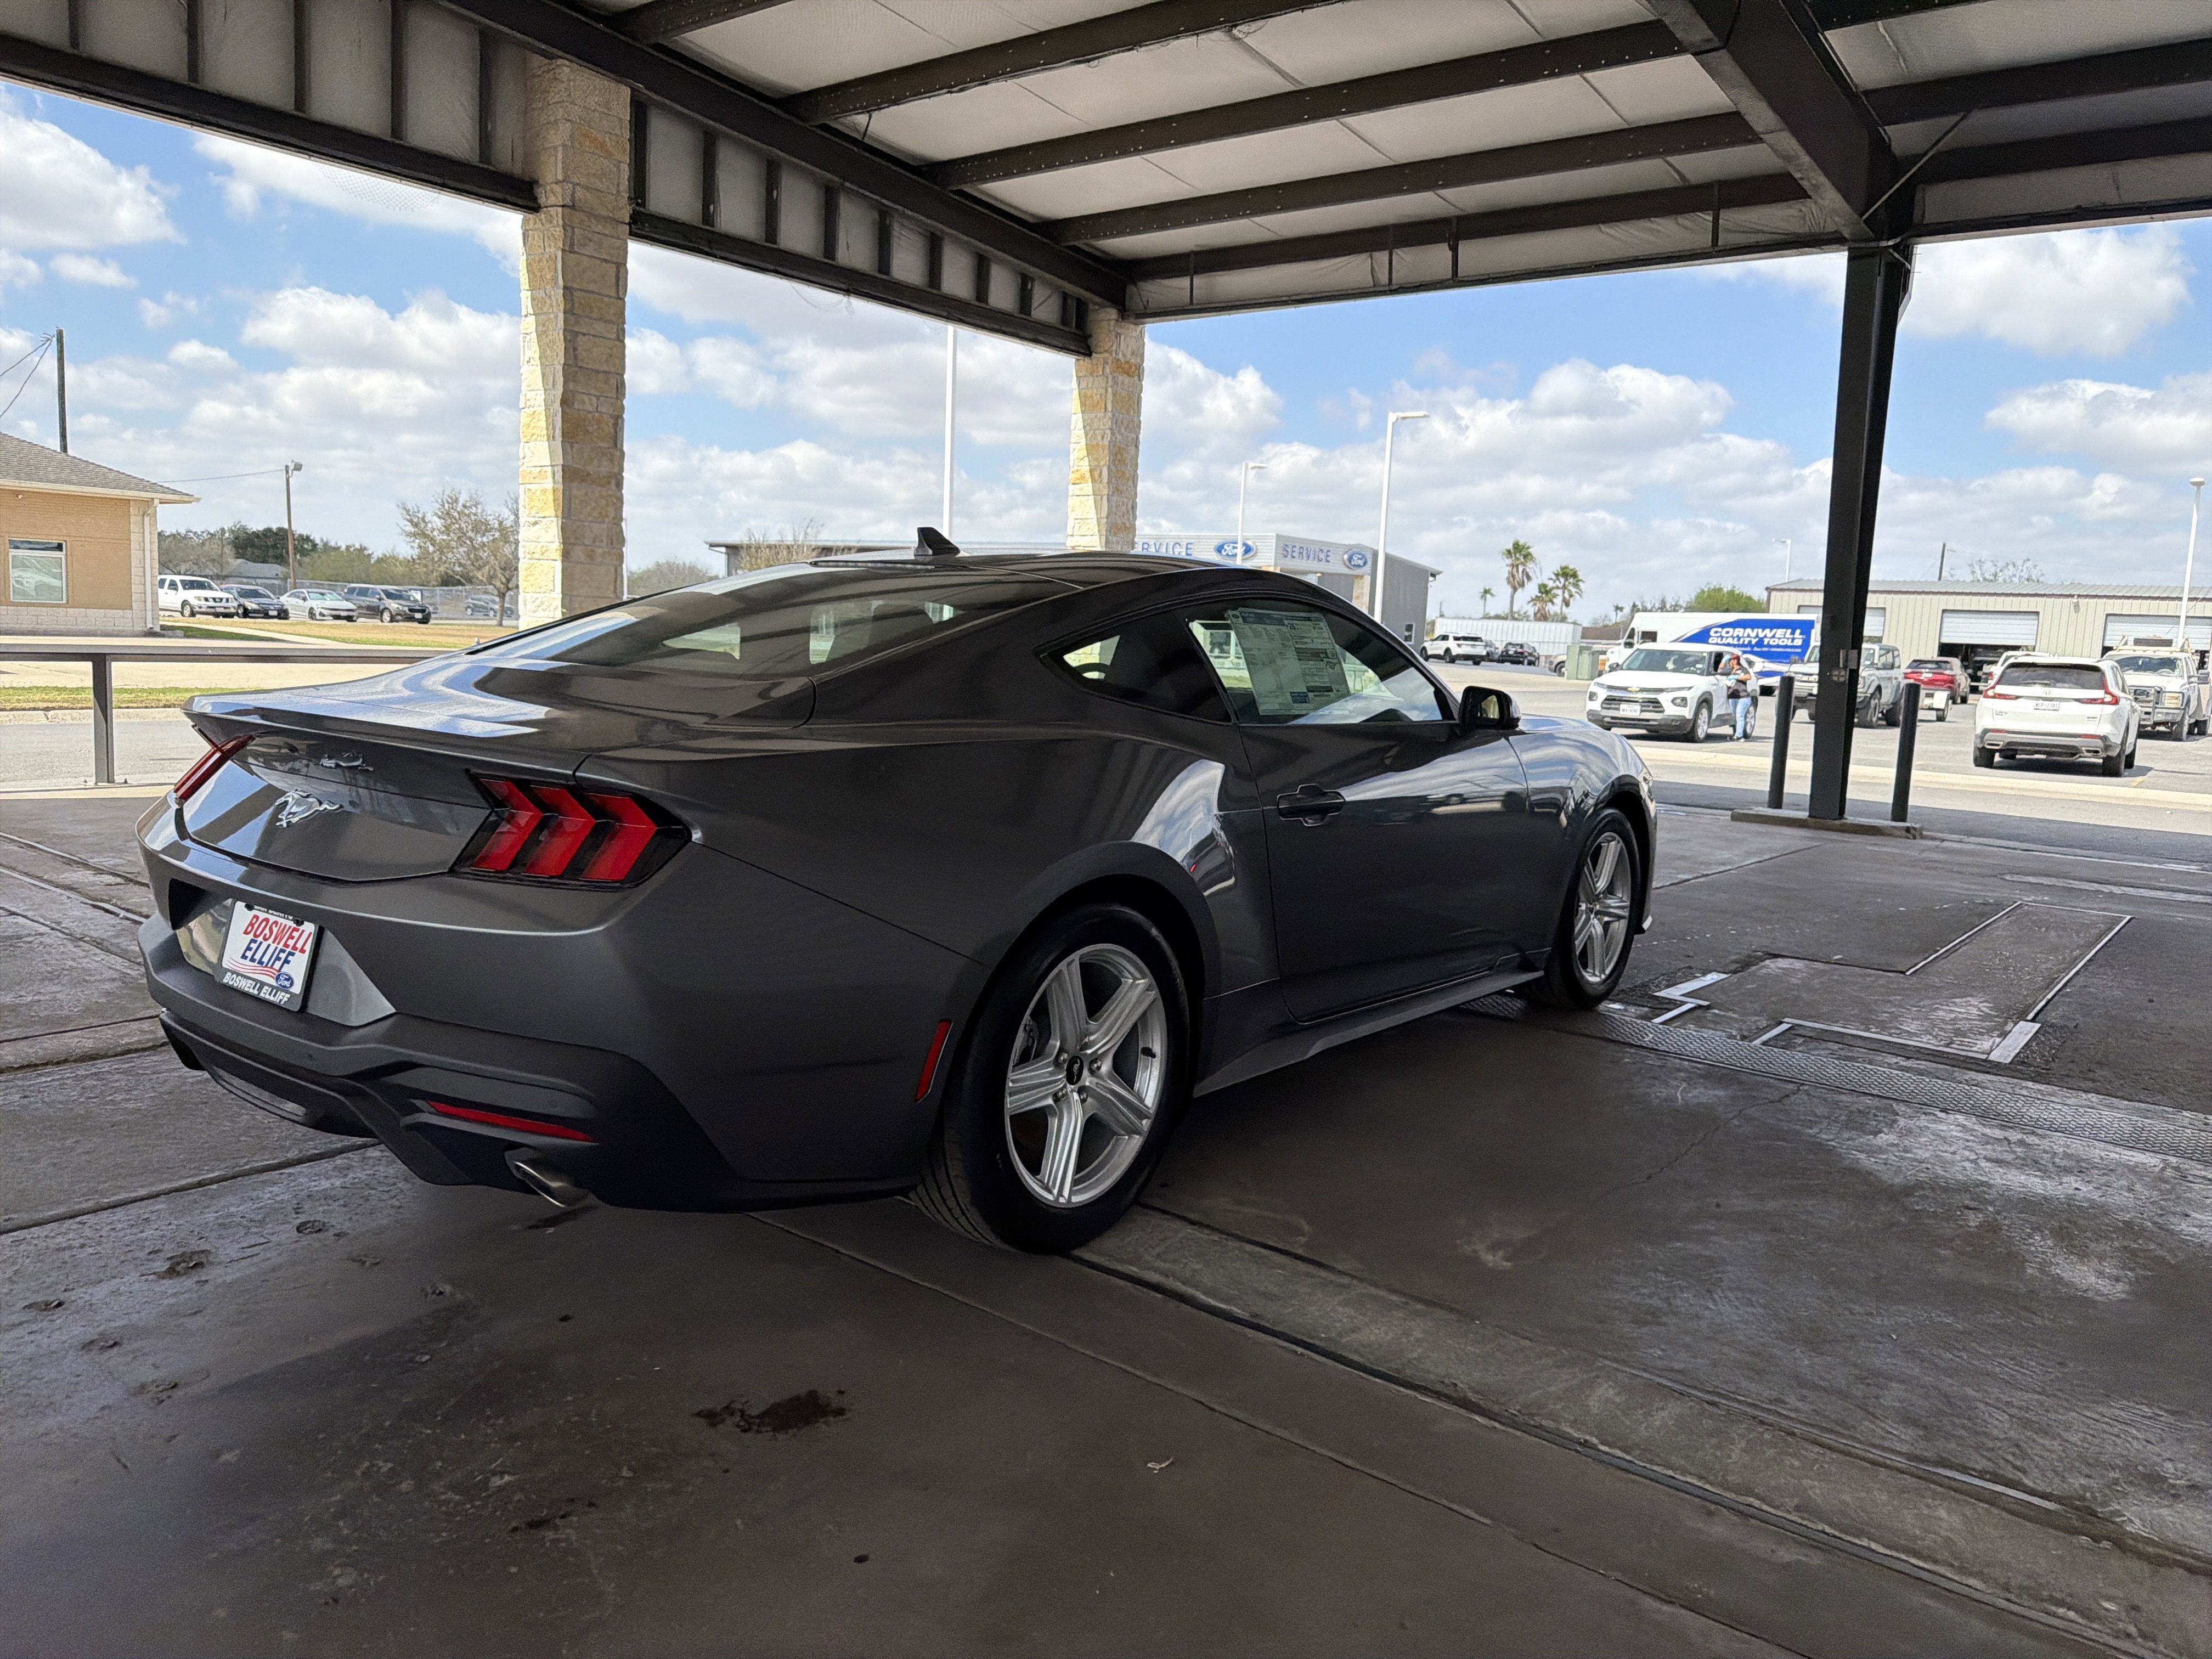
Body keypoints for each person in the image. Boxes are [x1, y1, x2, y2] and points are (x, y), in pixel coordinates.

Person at [1726, 653, 1758, 740]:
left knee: (1740, 716)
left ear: (1735, 661)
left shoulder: (1743, 670)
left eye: (1731, 661)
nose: (1730, 663)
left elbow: (1749, 677)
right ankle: (1736, 734)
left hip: (1743, 697)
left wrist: (1737, 678)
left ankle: (1740, 736)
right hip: (1732, 697)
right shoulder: (1730, 671)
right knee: (1735, 717)